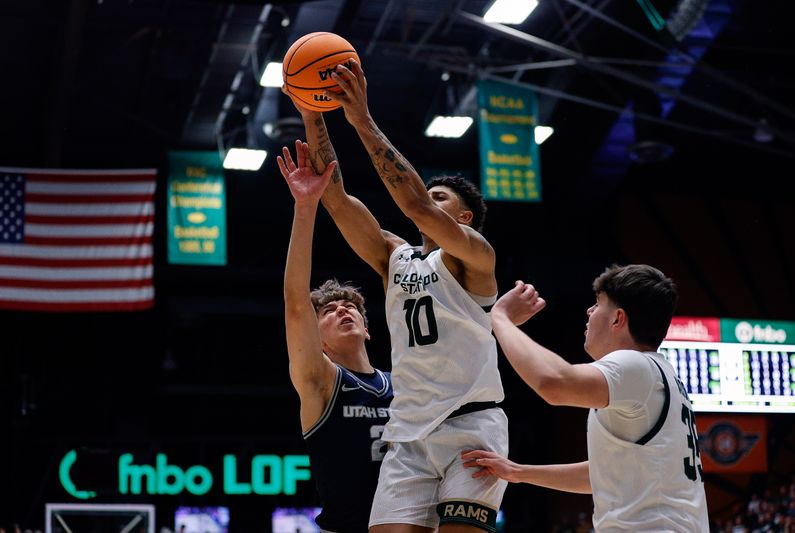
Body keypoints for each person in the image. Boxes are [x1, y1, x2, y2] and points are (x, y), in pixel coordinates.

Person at [285, 60, 508, 533]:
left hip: (471, 422)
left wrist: (362, 119)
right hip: (408, 434)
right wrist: (312, 110)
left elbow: (415, 204)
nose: (430, 199)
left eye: (442, 198)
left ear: (463, 219)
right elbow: (336, 198)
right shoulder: (395, 257)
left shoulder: (476, 259)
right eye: (432, 194)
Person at [461, 264, 710, 532]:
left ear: (618, 319)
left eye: (597, 303)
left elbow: (552, 383)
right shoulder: (661, 374)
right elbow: (604, 473)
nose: (589, 312)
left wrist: (499, 318)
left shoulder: (635, 365)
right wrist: (518, 472)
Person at [279, 140, 393, 533]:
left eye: (352, 309)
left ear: (368, 328)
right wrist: (305, 207)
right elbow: (296, 304)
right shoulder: (321, 382)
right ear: (318, 339)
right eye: (329, 312)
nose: (344, 310)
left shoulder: (406, 385)